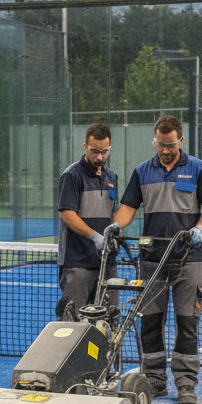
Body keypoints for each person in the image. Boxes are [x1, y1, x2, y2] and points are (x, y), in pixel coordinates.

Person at [117, 116, 202, 404]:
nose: (165, 150)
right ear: (156, 141)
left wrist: (200, 228)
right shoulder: (142, 171)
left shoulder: (198, 169)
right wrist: (116, 226)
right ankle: (154, 381)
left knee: (187, 322)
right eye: (160, 144)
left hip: (188, 259)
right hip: (151, 260)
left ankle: (186, 383)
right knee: (150, 322)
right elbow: (128, 208)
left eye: (170, 144)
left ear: (180, 140)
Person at [55, 122, 128, 320]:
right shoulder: (71, 175)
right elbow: (67, 214)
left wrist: (115, 232)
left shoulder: (111, 176)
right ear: (85, 147)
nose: (100, 157)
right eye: (95, 151)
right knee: (74, 322)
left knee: (109, 319)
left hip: (106, 264)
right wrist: (95, 236)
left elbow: (111, 213)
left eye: (104, 152)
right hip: (77, 264)